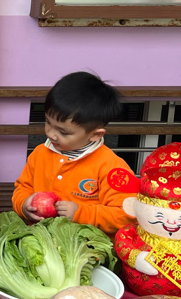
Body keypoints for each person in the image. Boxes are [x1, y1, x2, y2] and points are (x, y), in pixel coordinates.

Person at [12, 71, 136, 234]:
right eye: (48, 122)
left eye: (63, 132)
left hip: (87, 245)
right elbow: (23, 188)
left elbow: (127, 215)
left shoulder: (112, 167)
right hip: (41, 239)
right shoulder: (40, 153)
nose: (51, 134)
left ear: (95, 135)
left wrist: (81, 214)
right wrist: (24, 204)